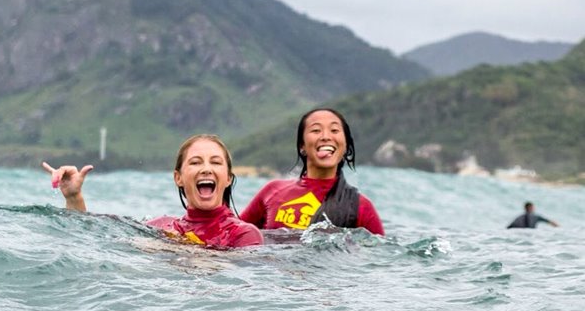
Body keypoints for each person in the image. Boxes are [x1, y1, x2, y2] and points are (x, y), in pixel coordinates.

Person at [42, 134, 263, 248]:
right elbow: (87, 237)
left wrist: (174, 250)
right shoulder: (160, 226)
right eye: (195, 162)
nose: (206, 168)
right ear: (178, 177)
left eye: (215, 162)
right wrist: (74, 198)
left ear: (228, 179)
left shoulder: (244, 235)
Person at [240, 108, 385, 235]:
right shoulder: (272, 191)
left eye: (334, 130)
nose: (326, 137)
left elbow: (379, 258)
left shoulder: (360, 207)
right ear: (302, 145)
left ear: (346, 146)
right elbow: (234, 235)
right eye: (316, 130)